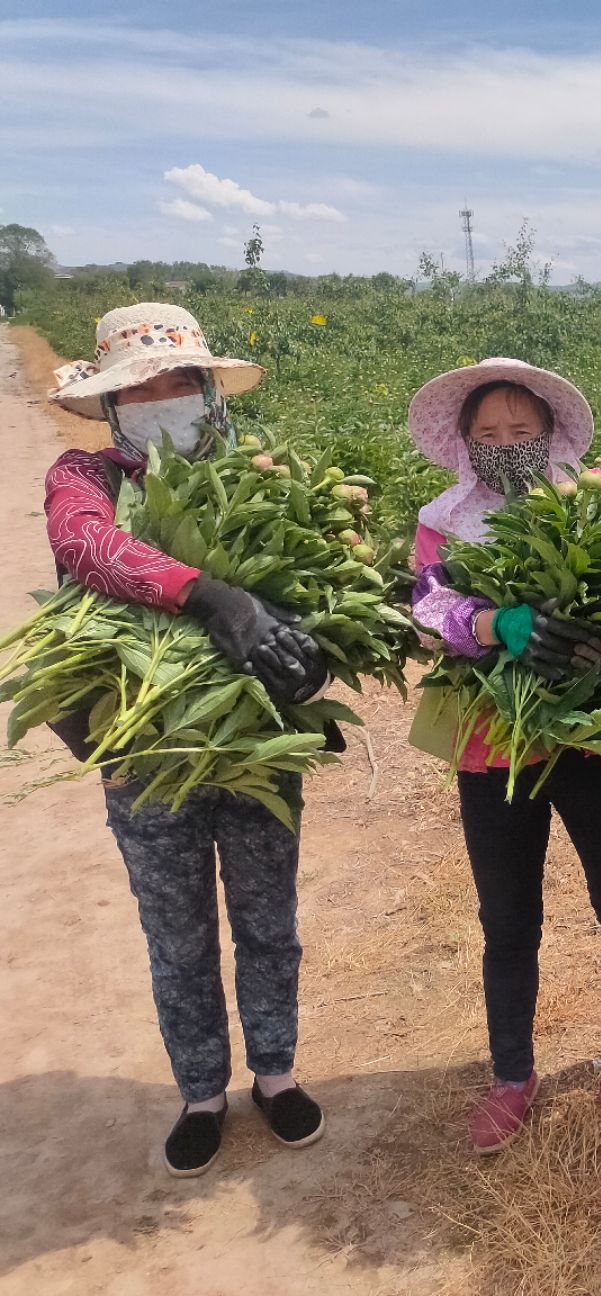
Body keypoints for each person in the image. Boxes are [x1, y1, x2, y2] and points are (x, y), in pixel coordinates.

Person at [45, 303, 328, 1177]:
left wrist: (314, 659)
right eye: (142, 389)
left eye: (180, 384)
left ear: (209, 392)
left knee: (268, 922)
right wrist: (211, 595)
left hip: (249, 751)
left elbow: (316, 596)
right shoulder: (83, 478)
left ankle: (274, 1075)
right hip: (147, 760)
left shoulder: (261, 479)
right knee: (177, 935)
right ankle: (201, 1090)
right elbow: (85, 546)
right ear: (114, 407)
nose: (164, 400)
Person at [407, 358, 601, 1153]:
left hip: (590, 737)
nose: (506, 444)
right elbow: (427, 606)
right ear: (465, 443)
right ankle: (512, 1074)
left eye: (522, 431)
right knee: (507, 920)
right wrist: (493, 624)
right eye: (489, 433)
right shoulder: (445, 521)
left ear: (550, 436)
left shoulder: (599, 506)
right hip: (494, 740)